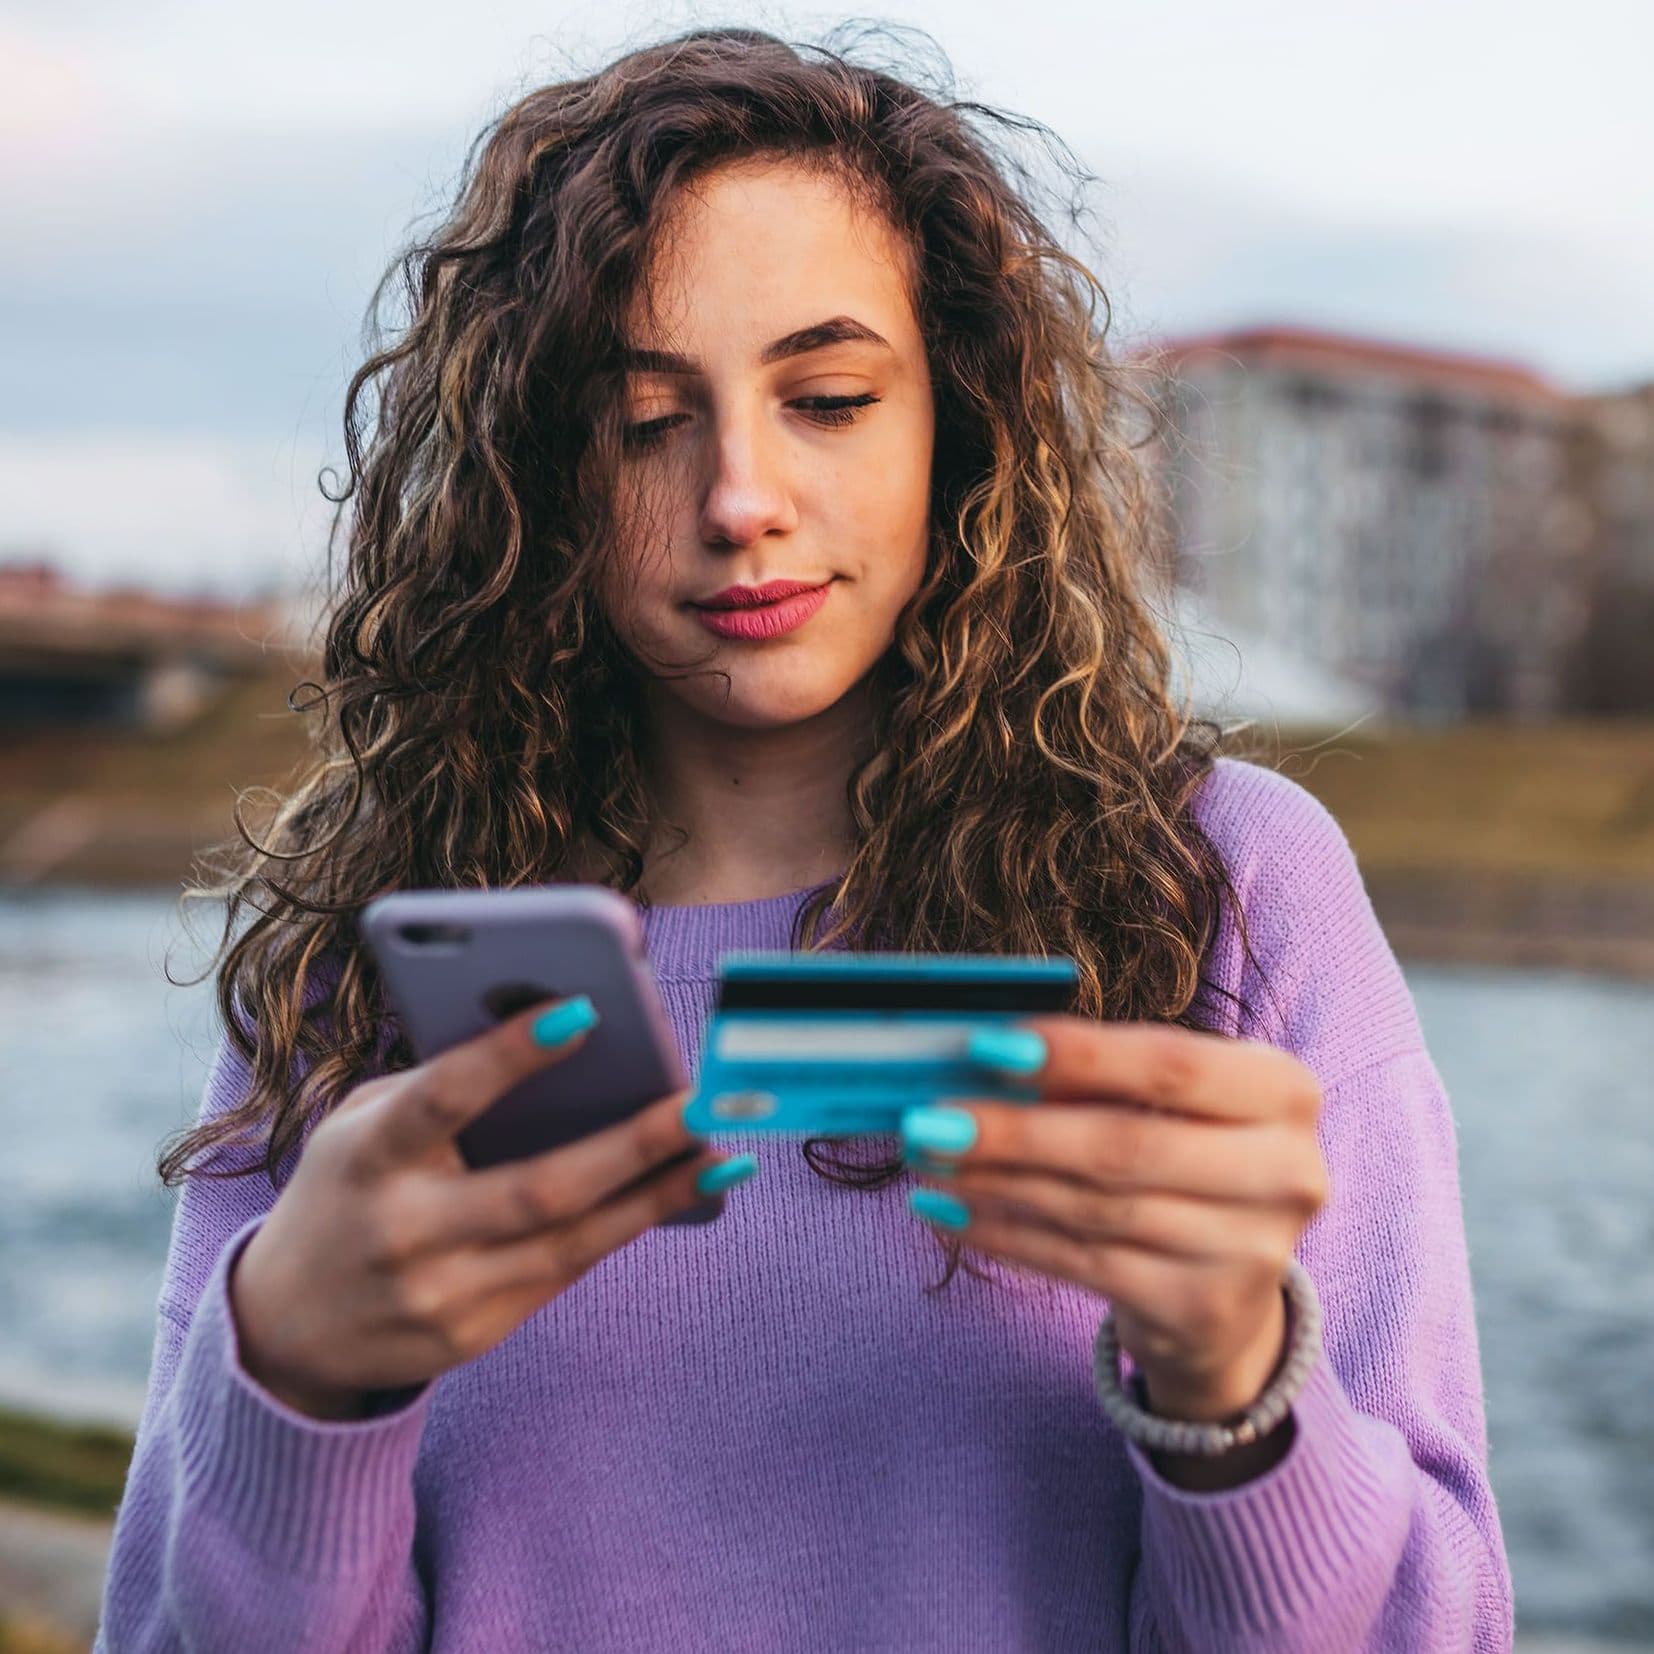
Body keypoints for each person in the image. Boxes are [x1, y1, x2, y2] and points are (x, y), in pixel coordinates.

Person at [95, 25, 1515, 1652]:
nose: (739, 495)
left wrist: (1234, 1382)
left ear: (957, 421)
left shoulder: (1224, 886)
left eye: (828, 398)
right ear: (537, 471)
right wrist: (293, 1371)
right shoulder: (376, 955)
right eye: (643, 421)